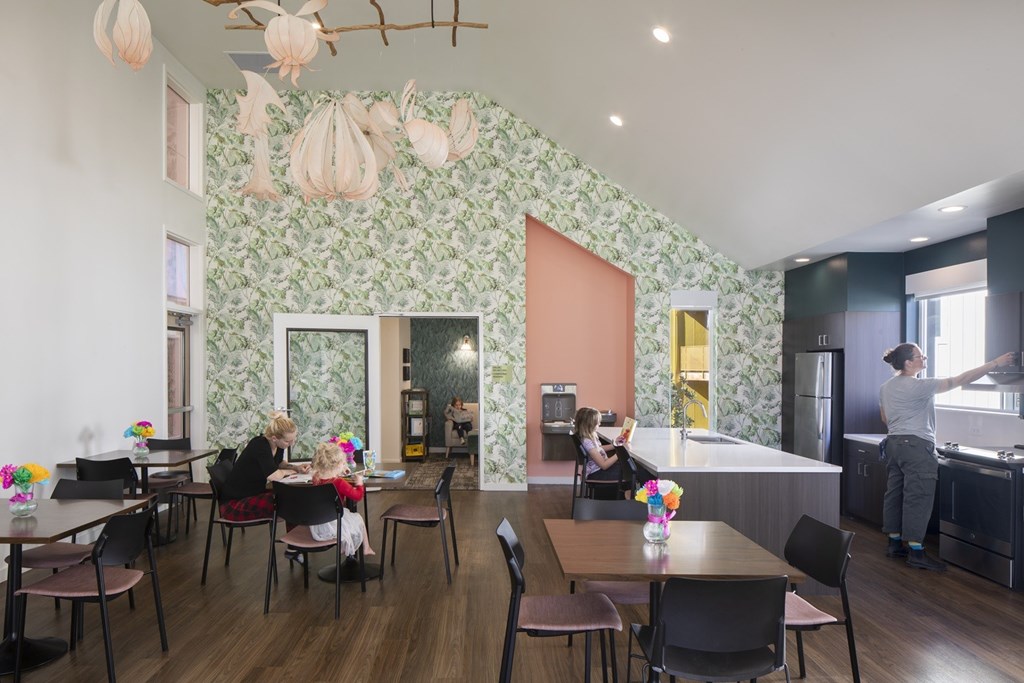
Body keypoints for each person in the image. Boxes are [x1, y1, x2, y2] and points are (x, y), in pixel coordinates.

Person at [879, 343, 1014, 571]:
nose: (925, 358)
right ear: (908, 363)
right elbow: (961, 379)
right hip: (917, 446)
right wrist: (995, 363)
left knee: (894, 493)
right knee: (918, 497)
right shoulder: (920, 385)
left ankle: (894, 544)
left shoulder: (886, 387)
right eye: (920, 356)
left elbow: (885, 418)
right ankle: (916, 552)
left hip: (893, 445)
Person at [220, 411, 310, 523]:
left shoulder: (278, 445)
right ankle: (297, 531)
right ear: (274, 438)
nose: (291, 444)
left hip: (253, 493)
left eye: (293, 439)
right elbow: (274, 476)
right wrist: (289, 472)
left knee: (291, 497)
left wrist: (296, 468)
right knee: (287, 501)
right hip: (234, 504)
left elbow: (278, 463)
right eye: (288, 441)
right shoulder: (259, 445)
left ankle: (297, 530)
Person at [307, 441, 375, 557]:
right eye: (343, 463)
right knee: (358, 519)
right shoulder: (339, 482)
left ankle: (344, 547)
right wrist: (360, 484)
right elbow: (357, 496)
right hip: (335, 521)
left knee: (347, 520)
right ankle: (366, 548)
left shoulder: (316, 477)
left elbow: (328, 477)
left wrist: (340, 470)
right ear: (338, 465)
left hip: (318, 523)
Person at [574, 406, 622, 499]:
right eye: (597, 423)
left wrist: (615, 445)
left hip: (596, 470)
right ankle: (627, 497)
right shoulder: (587, 442)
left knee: (628, 469)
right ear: (589, 425)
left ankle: (626, 496)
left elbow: (598, 449)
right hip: (597, 473)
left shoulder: (587, 437)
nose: (599, 424)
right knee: (631, 472)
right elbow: (604, 465)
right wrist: (620, 453)